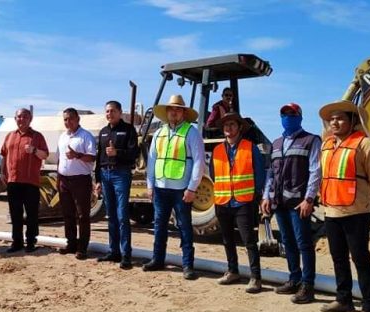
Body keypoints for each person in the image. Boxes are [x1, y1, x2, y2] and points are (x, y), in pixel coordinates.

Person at [318, 100, 370, 312]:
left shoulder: (365, 145)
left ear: (352, 121)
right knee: (338, 257)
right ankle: (343, 298)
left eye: (340, 118)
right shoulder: (326, 145)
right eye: (332, 119)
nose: (335, 122)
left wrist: (368, 204)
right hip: (331, 210)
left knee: (361, 259)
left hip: (357, 212)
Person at [261, 103, 321, 303]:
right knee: (287, 242)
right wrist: (266, 197)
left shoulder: (310, 140)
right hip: (279, 202)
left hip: (298, 203)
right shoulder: (276, 143)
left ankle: (308, 285)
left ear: (300, 117)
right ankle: (294, 278)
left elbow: (315, 171)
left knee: (304, 243)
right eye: (284, 114)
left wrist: (309, 198)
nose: (288, 117)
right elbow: (270, 173)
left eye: (292, 114)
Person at [142, 95, 205, 280]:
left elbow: (199, 162)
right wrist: (150, 184)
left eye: (178, 109)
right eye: (171, 109)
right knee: (159, 225)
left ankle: (187, 265)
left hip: (181, 189)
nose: (174, 112)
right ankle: (158, 259)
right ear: (167, 112)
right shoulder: (159, 133)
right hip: (160, 188)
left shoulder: (191, 132)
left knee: (184, 227)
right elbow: (152, 160)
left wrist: (192, 188)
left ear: (184, 113)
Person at [212, 112, 266, 293]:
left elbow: (259, 174)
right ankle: (232, 271)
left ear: (239, 127)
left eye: (232, 124)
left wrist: (257, 197)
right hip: (223, 201)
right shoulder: (217, 150)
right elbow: (214, 175)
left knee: (249, 241)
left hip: (243, 202)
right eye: (226, 125)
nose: (229, 128)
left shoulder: (251, 148)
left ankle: (256, 278)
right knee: (227, 240)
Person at [94, 100, 139, 269]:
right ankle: (114, 252)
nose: (109, 114)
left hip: (121, 174)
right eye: (107, 111)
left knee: (122, 216)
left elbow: (134, 153)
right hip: (105, 175)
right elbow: (99, 158)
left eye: (112, 111)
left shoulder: (128, 130)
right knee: (111, 215)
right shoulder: (103, 132)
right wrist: (97, 179)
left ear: (120, 112)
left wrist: (117, 153)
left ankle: (126, 255)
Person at [0, 108, 48, 253]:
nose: (22, 119)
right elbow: (3, 155)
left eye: (25, 117)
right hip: (13, 181)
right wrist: (3, 173)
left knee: (32, 214)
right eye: (19, 116)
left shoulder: (37, 136)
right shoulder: (9, 136)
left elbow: (44, 155)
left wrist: (34, 150)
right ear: (15, 119)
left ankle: (31, 242)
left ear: (30, 119)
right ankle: (17, 242)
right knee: (15, 213)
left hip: (31, 182)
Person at [56, 108, 96, 260]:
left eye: (71, 119)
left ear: (78, 119)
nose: (68, 122)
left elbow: (92, 158)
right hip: (64, 180)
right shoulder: (62, 137)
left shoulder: (86, 136)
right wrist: (59, 179)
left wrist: (77, 155)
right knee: (67, 214)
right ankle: (71, 243)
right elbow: (60, 159)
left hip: (81, 180)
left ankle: (83, 248)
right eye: (65, 119)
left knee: (82, 215)